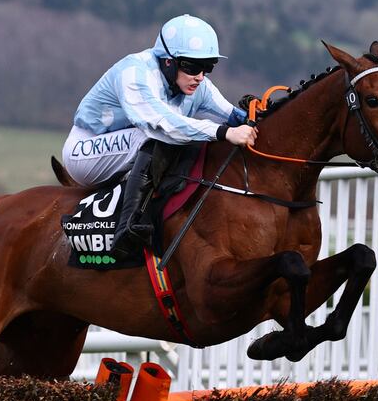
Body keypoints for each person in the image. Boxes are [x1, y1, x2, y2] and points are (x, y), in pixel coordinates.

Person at [61, 14, 257, 256]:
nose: (200, 76)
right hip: (84, 151)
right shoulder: (134, 72)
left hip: (125, 148)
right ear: (168, 61)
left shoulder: (197, 85)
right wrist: (223, 132)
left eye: (207, 67)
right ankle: (128, 228)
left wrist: (254, 115)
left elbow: (232, 115)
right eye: (192, 67)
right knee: (156, 137)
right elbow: (160, 124)